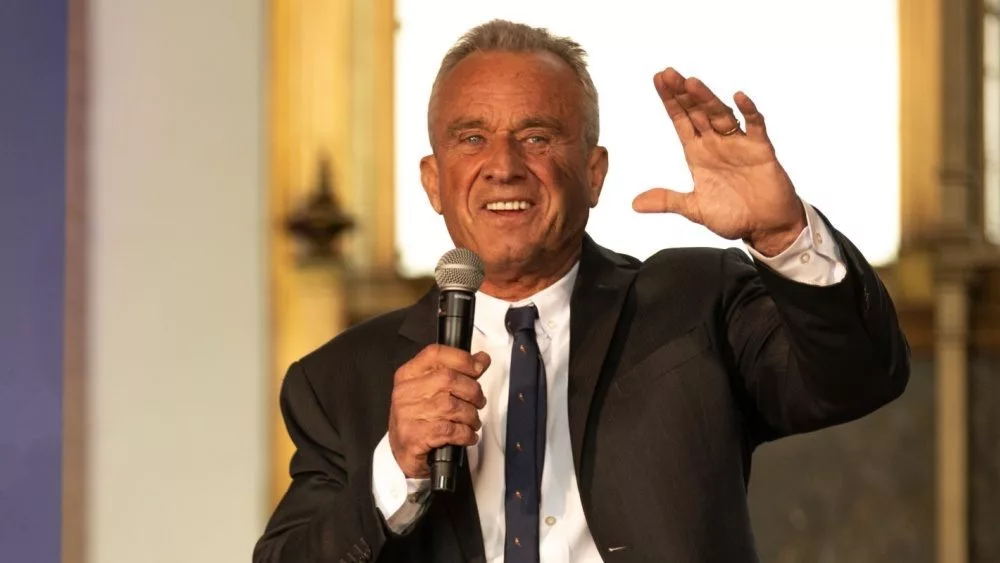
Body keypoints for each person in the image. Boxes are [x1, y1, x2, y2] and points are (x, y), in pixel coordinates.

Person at [253, 19, 909, 563]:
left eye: (537, 136)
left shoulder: (694, 302)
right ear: (433, 180)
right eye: (472, 138)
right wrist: (395, 466)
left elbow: (859, 376)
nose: (504, 164)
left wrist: (782, 232)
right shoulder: (340, 380)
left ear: (593, 173)